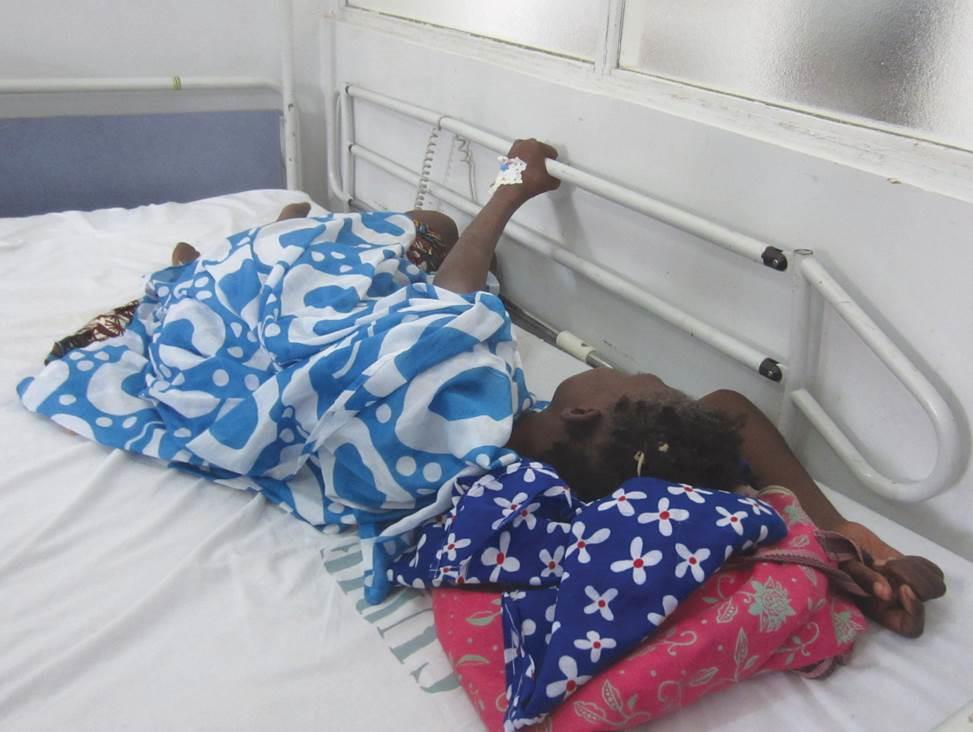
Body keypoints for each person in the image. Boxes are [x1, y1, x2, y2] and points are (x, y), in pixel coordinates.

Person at [431, 138, 946, 638]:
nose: (640, 374)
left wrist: (512, 182)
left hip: (377, 339)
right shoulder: (597, 464)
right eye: (639, 378)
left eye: (642, 381)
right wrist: (837, 527)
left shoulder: (466, 413)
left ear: (584, 412)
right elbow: (727, 409)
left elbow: (450, 296)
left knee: (432, 227)